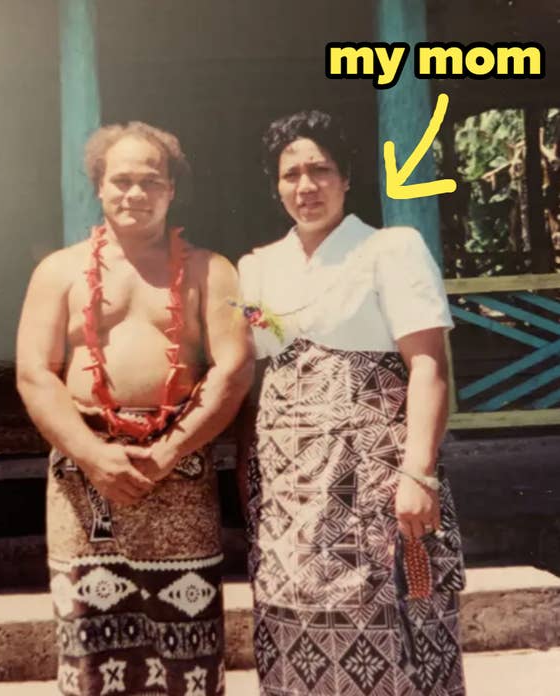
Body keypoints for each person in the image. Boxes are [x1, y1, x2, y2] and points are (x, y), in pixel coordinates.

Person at [17, 121, 254, 696]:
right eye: (121, 180)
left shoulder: (210, 270)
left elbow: (234, 369)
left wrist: (172, 449)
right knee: (91, 641)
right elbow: (34, 373)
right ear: (99, 187)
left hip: (181, 466)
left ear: (172, 190)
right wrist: (94, 455)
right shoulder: (59, 272)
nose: (135, 194)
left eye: (151, 181)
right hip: (82, 477)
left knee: (187, 643)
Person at [236, 110, 466, 695]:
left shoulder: (390, 249)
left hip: (374, 480)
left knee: (393, 620)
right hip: (289, 494)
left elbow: (428, 365)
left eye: (321, 170)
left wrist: (420, 472)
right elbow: (258, 363)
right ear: (275, 185)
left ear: (346, 179)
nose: (306, 186)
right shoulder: (259, 267)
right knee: (293, 632)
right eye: (291, 174)